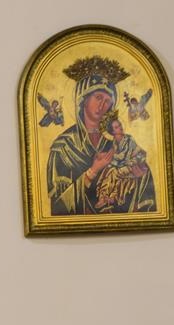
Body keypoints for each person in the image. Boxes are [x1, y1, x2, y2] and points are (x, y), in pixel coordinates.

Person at [46, 55, 156, 216]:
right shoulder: (63, 148)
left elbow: (144, 181)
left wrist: (139, 176)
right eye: (98, 98)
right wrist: (93, 171)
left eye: (107, 101)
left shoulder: (118, 141)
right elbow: (58, 206)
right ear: (83, 100)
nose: (102, 105)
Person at [95, 110, 151, 212]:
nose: (120, 127)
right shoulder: (114, 143)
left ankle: (112, 196)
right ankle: (103, 197)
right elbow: (117, 160)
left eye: (120, 125)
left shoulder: (129, 139)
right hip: (122, 164)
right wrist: (107, 159)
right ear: (112, 132)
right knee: (108, 170)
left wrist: (111, 157)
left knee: (116, 172)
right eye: (116, 127)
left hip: (132, 164)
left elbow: (124, 156)